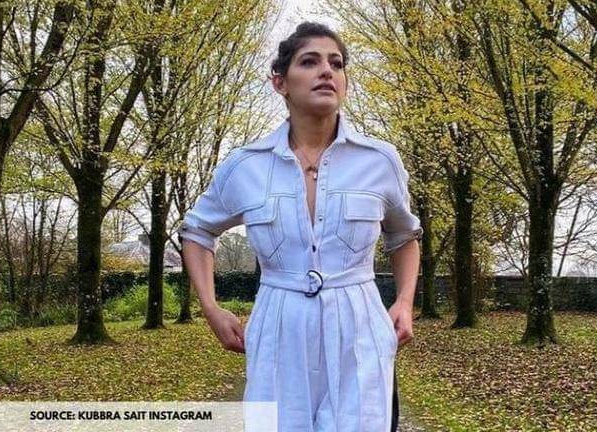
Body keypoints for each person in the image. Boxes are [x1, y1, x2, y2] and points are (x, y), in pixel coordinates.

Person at [178, 21, 423, 432]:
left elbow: (404, 236)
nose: (326, 71)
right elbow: (197, 232)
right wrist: (210, 307)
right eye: (310, 62)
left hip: (359, 322)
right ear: (280, 82)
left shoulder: (380, 161)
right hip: (279, 321)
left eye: (336, 64)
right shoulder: (246, 165)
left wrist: (404, 301)